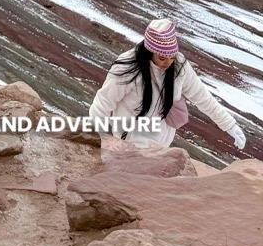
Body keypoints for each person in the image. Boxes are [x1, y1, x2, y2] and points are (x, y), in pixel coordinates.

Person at [88, 19, 246, 151]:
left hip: (160, 146)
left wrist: (229, 125)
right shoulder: (127, 67)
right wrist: (104, 139)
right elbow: (103, 103)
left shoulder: (179, 66)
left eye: (172, 57)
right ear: (149, 51)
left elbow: (202, 97)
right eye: (162, 58)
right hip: (129, 143)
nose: (168, 63)